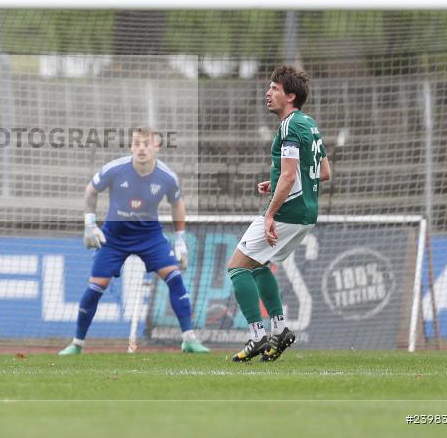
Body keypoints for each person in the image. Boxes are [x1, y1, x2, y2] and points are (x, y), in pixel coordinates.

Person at [59, 127, 209, 355]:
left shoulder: (167, 177)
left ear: (155, 147)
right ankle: (77, 344)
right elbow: (90, 190)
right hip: (114, 236)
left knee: (175, 279)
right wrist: (90, 224)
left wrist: (180, 239)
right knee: (95, 287)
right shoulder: (115, 169)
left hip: (150, 235)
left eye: (146, 143)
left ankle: (189, 339)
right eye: (137, 143)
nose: (141, 148)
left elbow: (177, 204)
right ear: (131, 146)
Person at [227, 65, 331, 363]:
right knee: (258, 266)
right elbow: (323, 172)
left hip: (288, 210)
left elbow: (289, 177)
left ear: (291, 96)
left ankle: (258, 334)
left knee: (237, 268)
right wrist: (275, 182)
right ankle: (280, 328)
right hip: (307, 213)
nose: (268, 93)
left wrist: (270, 213)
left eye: (274, 88)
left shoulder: (288, 126)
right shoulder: (309, 124)